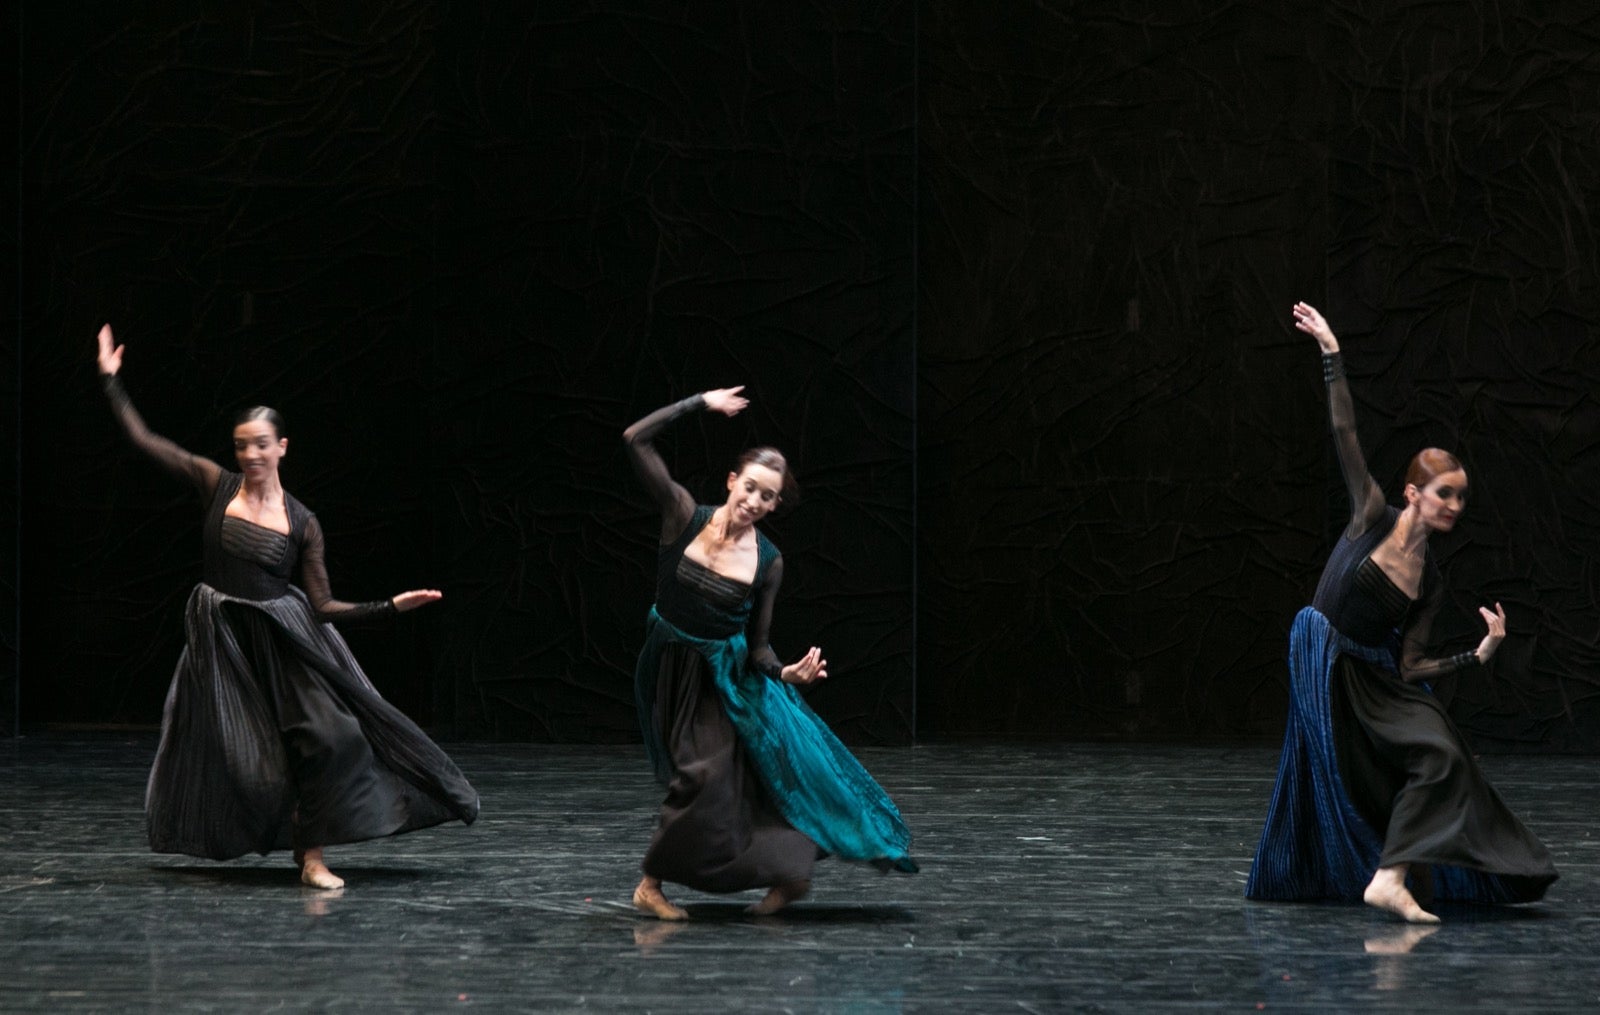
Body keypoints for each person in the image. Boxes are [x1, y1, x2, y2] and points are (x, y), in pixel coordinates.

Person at [96, 323, 478, 889]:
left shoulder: (302, 522)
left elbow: (322, 606)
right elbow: (146, 441)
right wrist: (112, 383)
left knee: (335, 738)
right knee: (251, 762)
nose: (249, 453)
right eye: (241, 445)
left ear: (282, 448)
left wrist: (389, 607)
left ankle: (313, 855)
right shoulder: (216, 484)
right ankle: (272, 840)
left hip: (285, 639)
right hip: (225, 640)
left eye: (259, 444)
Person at [1246, 303, 1557, 922]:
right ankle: (1390, 873)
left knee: (1445, 753)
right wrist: (1333, 356)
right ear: (1414, 493)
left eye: (1463, 498)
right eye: (1446, 494)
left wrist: (1477, 654)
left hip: (1381, 681)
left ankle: (1391, 877)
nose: (1455, 506)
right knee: (1425, 756)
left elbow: (1411, 664)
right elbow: (1346, 434)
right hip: (1329, 665)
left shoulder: (1430, 580)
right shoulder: (1373, 516)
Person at [623, 385, 917, 919]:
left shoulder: (768, 562)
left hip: (731, 679)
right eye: (751, 487)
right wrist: (697, 405)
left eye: (768, 497)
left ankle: (770, 879)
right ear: (732, 481)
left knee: (754, 781)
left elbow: (758, 648)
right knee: (706, 780)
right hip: (673, 670)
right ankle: (658, 884)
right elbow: (634, 440)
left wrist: (787, 673)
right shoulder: (683, 514)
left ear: (776, 505)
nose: (755, 502)